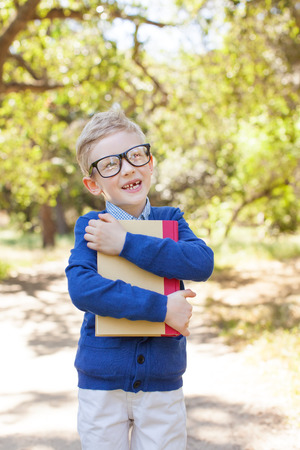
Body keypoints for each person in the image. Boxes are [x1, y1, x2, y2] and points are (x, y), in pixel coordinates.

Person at [65, 107, 214, 450]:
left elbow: (201, 263)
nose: (127, 168)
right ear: (93, 183)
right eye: (110, 164)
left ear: (150, 163)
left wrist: (126, 244)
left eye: (134, 156)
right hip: (101, 381)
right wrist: (161, 309)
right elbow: (83, 289)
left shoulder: (172, 221)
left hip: (162, 379)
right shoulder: (91, 226)